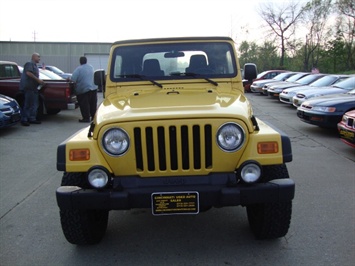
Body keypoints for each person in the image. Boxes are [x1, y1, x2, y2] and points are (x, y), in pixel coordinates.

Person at [20, 53, 45, 126]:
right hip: (28, 88)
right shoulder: (29, 64)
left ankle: (32, 118)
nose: (39, 58)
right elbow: (28, 73)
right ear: (33, 57)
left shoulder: (35, 66)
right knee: (28, 104)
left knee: (34, 104)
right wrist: (38, 80)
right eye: (38, 57)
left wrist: (40, 81)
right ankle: (24, 119)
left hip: (34, 88)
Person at [71, 56, 97, 122]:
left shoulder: (78, 69)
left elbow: (73, 79)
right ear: (86, 61)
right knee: (93, 104)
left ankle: (86, 118)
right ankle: (94, 117)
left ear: (80, 62)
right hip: (93, 88)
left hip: (83, 90)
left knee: (84, 104)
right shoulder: (91, 67)